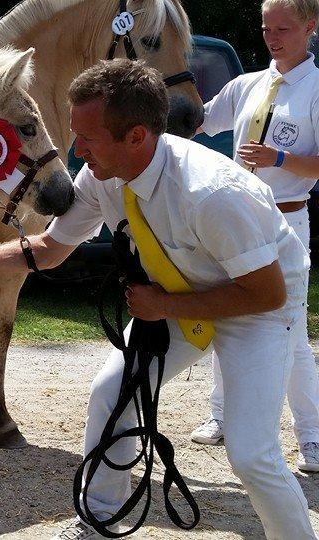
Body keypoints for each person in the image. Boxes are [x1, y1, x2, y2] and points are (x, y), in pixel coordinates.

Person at [0, 59, 315, 539]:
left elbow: (266, 293)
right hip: (177, 292)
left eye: (88, 138)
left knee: (250, 453)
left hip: (258, 306)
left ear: (136, 137)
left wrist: (164, 306)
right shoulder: (102, 176)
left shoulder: (210, 192)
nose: (77, 151)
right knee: (112, 393)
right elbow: (50, 250)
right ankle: (98, 520)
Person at [193, 0, 319, 474]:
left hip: (288, 218)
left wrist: (280, 160)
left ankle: (312, 436)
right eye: (267, 27)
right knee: (226, 313)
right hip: (237, 222)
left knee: (292, 331)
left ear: (311, 27)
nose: (272, 36)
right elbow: (198, 121)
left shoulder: (316, 91)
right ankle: (219, 415)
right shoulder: (246, 85)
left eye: (283, 28)